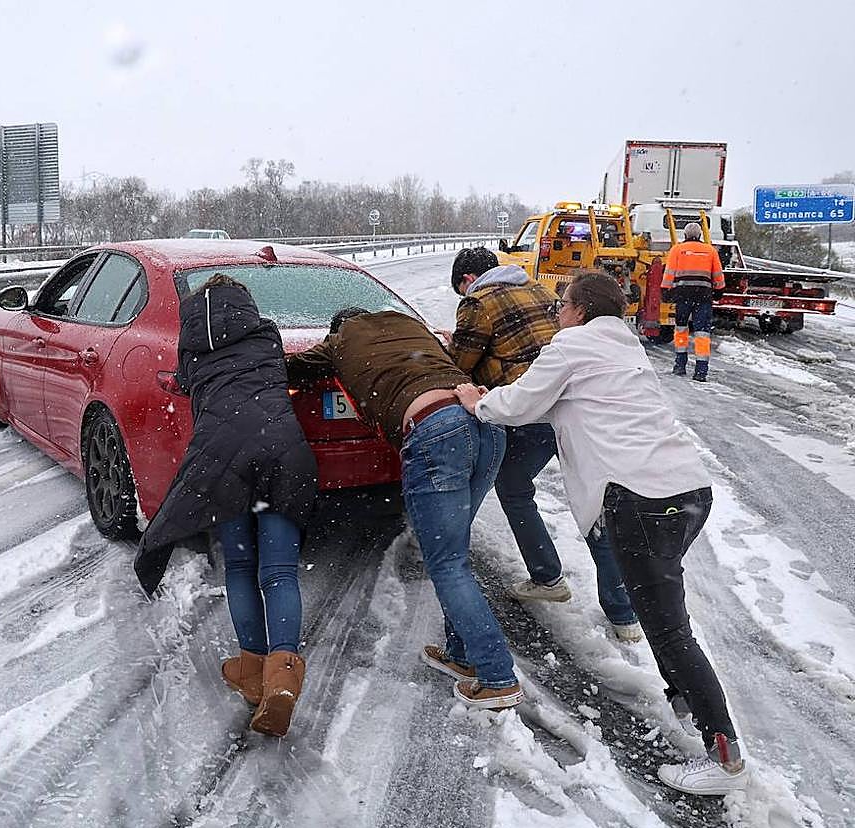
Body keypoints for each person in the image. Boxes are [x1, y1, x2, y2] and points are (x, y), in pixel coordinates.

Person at [454, 272, 748, 796]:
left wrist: (478, 402)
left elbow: (518, 406)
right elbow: (552, 404)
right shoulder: (625, 347)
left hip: (642, 499)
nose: (557, 313)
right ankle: (685, 696)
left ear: (581, 310)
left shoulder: (570, 347)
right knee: (661, 611)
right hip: (687, 491)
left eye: (562, 305)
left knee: (669, 627)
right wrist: (502, 400)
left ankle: (723, 757)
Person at [288, 307, 521, 710]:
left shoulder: (338, 342)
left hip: (436, 430)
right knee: (454, 554)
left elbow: (289, 371)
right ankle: (462, 655)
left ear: (337, 330)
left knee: (446, 563)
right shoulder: (410, 325)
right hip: (486, 424)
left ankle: (496, 676)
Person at [132, 274, 317, 738]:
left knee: (240, 566)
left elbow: (183, 384)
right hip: (283, 451)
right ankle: (283, 675)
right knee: (279, 571)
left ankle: (252, 668)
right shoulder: (267, 336)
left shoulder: (192, 350)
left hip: (222, 458)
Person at [445, 247, 641, 642]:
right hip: (569, 409)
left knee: (513, 488)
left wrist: (455, 353)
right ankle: (623, 613)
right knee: (594, 502)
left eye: (461, 288)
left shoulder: (478, 302)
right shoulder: (541, 291)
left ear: (468, 280)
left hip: (528, 410)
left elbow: (461, 364)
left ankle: (547, 576)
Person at [661, 221, 725, 381]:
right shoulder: (710, 251)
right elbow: (718, 274)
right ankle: (701, 371)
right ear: (700, 235)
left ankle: (680, 365)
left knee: (681, 329)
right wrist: (719, 291)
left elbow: (669, 273)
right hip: (703, 297)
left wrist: (665, 291)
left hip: (683, 296)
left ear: (685, 235)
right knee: (702, 332)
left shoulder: (677, 250)